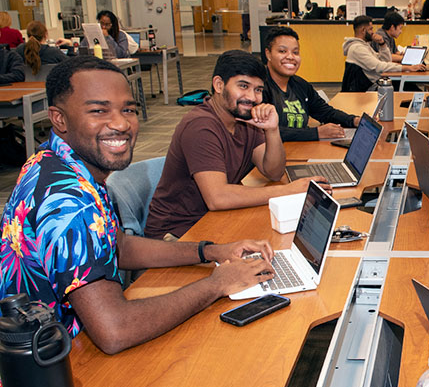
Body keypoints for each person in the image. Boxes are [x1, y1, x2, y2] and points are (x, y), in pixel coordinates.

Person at [0, 56, 275, 355]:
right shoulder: (69, 202)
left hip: (51, 350)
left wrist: (210, 251)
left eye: (128, 109)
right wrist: (216, 284)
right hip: (52, 364)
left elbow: (118, 246)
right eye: (98, 110)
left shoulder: (55, 164)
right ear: (59, 119)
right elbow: (115, 330)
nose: (120, 123)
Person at [145, 50, 329, 239]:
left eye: (258, 90)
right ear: (219, 85)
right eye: (243, 86)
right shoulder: (201, 126)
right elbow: (218, 198)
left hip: (213, 219)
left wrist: (272, 130)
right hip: (179, 234)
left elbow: (273, 171)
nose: (252, 97)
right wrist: (288, 191)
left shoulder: (243, 120)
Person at [263, 26, 359, 141]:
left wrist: (354, 120)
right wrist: (315, 133)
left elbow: (325, 112)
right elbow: (264, 131)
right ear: (268, 54)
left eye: (295, 52)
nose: (290, 57)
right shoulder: (259, 88)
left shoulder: (300, 84)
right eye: (282, 51)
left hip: (300, 150)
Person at [342, 15, 424, 88]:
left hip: (375, 83)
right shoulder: (357, 49)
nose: (373, 32)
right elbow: (379, 66)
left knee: (410, 87)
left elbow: (386, 60)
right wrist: (409, 68)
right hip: (370, 88)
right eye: (370, 29)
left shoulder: (364, 45)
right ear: (363, 30)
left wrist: (382, 44)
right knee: (410, 89)